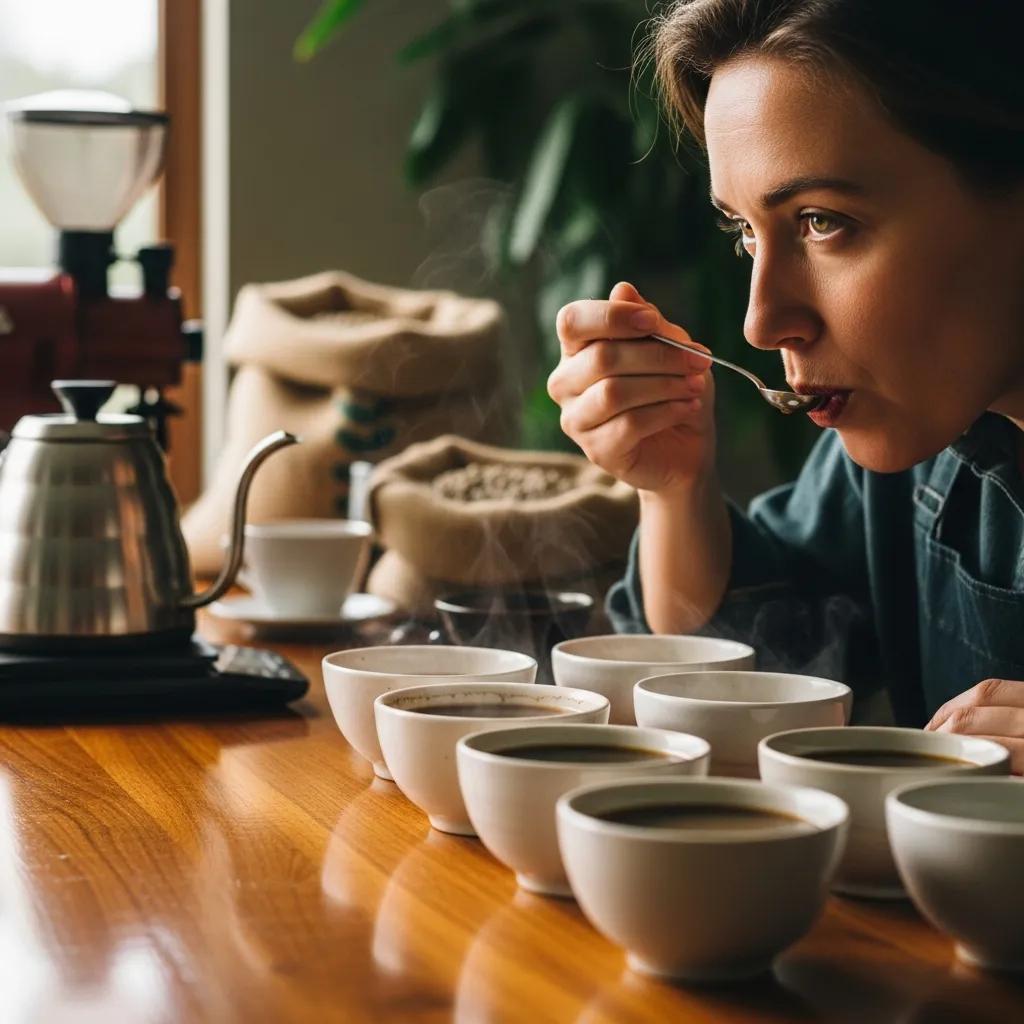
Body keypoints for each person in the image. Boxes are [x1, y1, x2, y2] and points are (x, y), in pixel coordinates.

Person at [546, 0, 1024, 772]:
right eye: (743, 231)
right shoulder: (927, 442)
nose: (761, 323)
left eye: (822, 222)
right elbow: (743, 673)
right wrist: (674, 486)